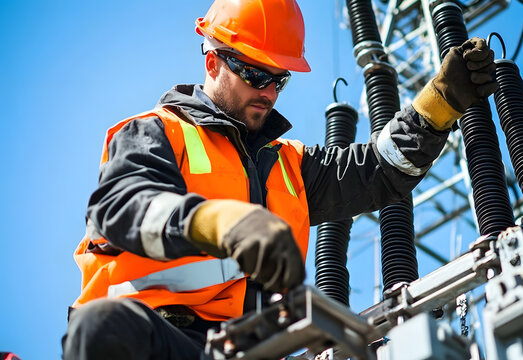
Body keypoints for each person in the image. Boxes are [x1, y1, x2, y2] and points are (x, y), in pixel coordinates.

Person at [62, 0, 497, 359]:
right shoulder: (156, 132)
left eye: (280, 79)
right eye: (256, 74)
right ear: (213, 63)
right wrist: (220, 223)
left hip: (251, 350)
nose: (268, 92)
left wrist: (440, 105)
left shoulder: (287, 164)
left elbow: (379, 172)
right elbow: (123, 206)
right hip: (160, 340)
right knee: (102, 328)